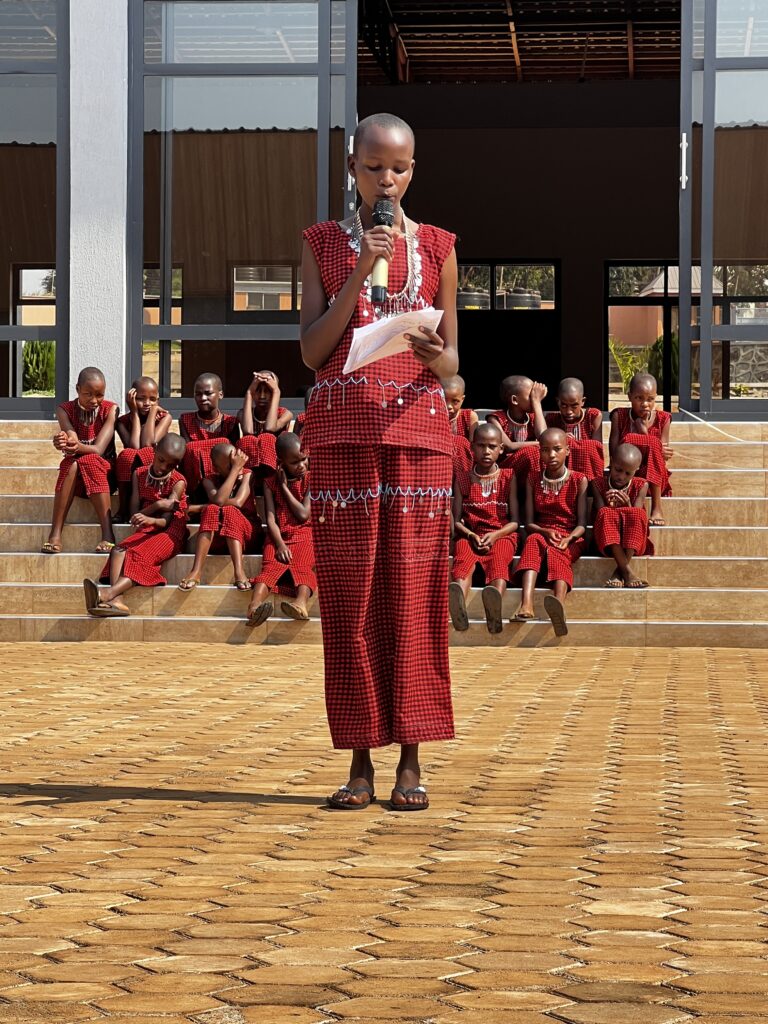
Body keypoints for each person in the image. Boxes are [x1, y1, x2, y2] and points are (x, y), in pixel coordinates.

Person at [300, 111, 457, 812]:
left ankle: (412, 763)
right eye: (374, 168)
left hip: (418, 438)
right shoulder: (324, 244)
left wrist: (434, 353)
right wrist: (363, 265)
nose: (386, 181)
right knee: (352, 597)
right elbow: (311, 350)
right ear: (352, 170)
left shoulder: (442, 247)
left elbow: (452, 358)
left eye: (398, 169)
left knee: (413, 598)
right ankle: (361, 761)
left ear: (413, 171)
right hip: (344, 442)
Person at [82, 433, 188, 617]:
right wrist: (154, 508)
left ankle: (107, 593)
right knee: (118, 550)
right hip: (147, 527)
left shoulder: (177, 481)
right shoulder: (139, 474)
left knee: (139, 555)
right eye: (161, 460)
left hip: (170, 531)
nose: (163, 468)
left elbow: (166, 520)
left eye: (170, 465)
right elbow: (133, 514)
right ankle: (118, 602)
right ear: (154, 450)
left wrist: (154, 511)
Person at [513, 427, 588, 637]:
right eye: (545, 450)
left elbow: (582, 524)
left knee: (557, 551)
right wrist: (545, 531)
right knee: (533, 540)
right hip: (542, 531)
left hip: (570, 535)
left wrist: (569, 538)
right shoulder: (533, 478)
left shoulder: (578, 480)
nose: (551, 455)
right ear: (540, 452)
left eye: (557, 449)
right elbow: (528, 523)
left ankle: (558, 606)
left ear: (568, 450)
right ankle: (526, 604)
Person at [449, 422, 519, 635]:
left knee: (499, 563)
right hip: (470, 535)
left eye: (492, 446)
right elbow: (457, 519)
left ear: (500, 449)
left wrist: (496, 534)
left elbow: (515, 521)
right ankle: (458, 605)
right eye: (481, 446)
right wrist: (470, 534)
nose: (486, 451)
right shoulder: (462, 477)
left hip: (501, 534)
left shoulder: (508, 476)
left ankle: (494, 608)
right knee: (462, 561)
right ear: (471, 447)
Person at [43, 366, 118, 555]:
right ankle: (55, 533)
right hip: (77, 478)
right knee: (72, 463)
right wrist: (61, 441)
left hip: (105, 473)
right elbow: (70, 437)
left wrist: (75, 446)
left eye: (99, 395)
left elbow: (99, 449)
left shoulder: (111, 410)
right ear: (77, 390)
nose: (94, 400)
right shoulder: (64, 410)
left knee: (90, 460)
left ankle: (108, 533)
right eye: (88, 394)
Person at [246, 433, 315, 626]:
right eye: (294, 462)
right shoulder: (269, 483)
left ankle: (300, 604)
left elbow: (303, 514)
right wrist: (279, 545)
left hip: (305, 533)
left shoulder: (312, 478)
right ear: (281, 462)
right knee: (270, 568)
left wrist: (284, 487)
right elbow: (270, 518)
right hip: (278, 536)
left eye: (304, 459)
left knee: (302, 566)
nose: (301, 465)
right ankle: (254, 607)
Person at [178, 444, 260, 593]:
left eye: (237, 460)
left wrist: (199, 507)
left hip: (246, 535)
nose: (237, 465)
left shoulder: (248, 475)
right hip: (219, 537)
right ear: (216, 467)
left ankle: (239, 571)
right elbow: (218, 501)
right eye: (230, 465)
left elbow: (237, 502)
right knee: (211, 509)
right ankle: (196, 571)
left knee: (228, 510)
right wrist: (234, 471)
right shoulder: (209, 480)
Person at [609, 372, 673, 526]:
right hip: (626, 476)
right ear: (630, 396)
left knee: (651, 443)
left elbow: (661, 455)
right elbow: (614, 452)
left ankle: (657, 507)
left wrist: (644, 434)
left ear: (656, 397)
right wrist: (641, 435)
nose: (645, 404)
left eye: (650, 399)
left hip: (655, 480)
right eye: (639, 398)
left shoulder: (663, 419)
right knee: (635, 440)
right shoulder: (620, 416)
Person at [592, 442, 654, 589]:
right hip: (606, 538)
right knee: (605, 513)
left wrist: (627, 505)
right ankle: (627, 572)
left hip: (631, 540)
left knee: (637, 513)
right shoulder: (598, 483)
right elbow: (601, 515)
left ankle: (619, 572)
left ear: (636, 471)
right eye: (618, 470)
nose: (621, 476)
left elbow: (636, 517)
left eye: (628, 473)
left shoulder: (641, 485)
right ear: (611, 462)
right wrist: (610, 505)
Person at [114, 377, 172, 521]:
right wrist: (134, 414)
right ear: (131, 398)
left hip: (154, 468)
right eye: (141, 398)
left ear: (158, 399)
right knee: (126, 455)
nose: (147, 403)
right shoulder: (122, 422)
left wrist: (152, 414)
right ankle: (123, 508)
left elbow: (148, 444)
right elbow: (133, 446)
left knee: (147, 452)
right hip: (130, 468)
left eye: (152, 399)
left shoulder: (165, 418)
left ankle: (148, 505)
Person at [178, 373, 240, 497]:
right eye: (198, 394)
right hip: (196, 485)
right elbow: (188, 450)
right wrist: (221, 442)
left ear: (220, 394)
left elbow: (233, 453)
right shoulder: (185, 420)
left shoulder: (230, 422)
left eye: (208, 393)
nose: (203, 398)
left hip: (222, 483)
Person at [487, 376, 548, 481]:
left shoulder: (533, 418)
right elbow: (509, 446)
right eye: (531, 396)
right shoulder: (496, 419)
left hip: (530, 469)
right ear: (515, 400)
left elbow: (543, 436)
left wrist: (537, 403)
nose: (534, 398)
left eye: (535, 396)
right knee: (532, 452)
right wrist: (540, 444)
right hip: (506, 468)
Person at [544, 376, 605, 480]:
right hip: (562, 469)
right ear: (558, 401)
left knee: (589, 447)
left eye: (574, 406)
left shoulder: (593, 416)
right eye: (564, 405)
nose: (568, 411)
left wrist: (570, 442)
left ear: (583, 401)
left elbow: (595, 447)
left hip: (585, 467)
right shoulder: (552, 419)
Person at [237, 370, 292, 475]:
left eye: (268, 391)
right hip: (250, 470)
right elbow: (248, 431)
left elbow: (270, 428)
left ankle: (268, 485)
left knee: (267, 437)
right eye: (257, 390)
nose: (262, 396)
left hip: (274, 470)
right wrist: (249, 392)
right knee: (248, 439)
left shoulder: (285, 414)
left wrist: (276, 391)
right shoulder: (243, 413)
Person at [443, 373, 477, 473]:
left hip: (464, 464)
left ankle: (462, 483)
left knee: (459, 442)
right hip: (441, 461)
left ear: (462, 399)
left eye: (455, 401)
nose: (449, 406)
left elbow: (473, 446)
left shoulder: (469, 416)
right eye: (444, 400)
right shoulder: (434, 416)